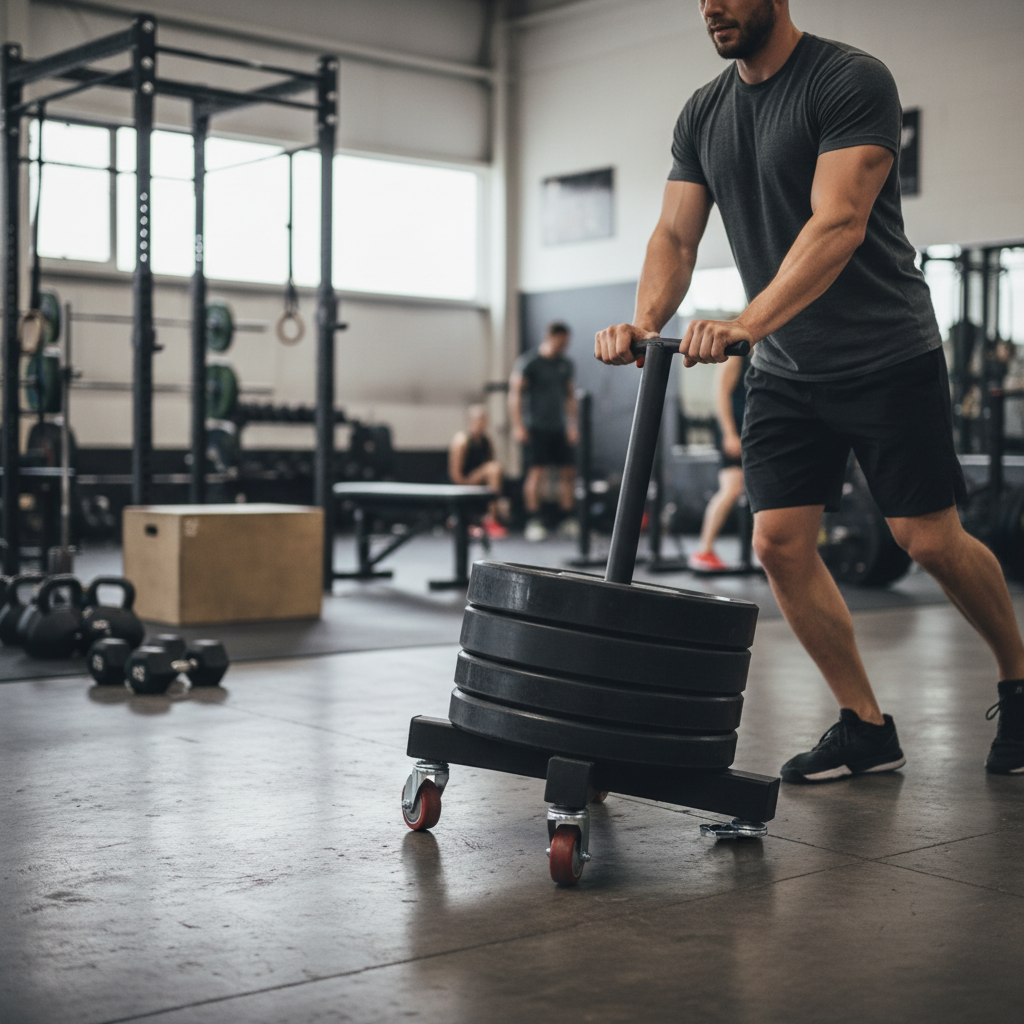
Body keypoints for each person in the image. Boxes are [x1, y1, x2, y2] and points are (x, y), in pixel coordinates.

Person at [595, 0, 1024, 780]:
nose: (712, 7)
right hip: (789, 371)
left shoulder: (849, 79)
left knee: (926, 538)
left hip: (886, 353)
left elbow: (839, 223)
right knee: (777, 542)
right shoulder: (705, 112)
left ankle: (1022, 681)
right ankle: (864, 724)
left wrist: (745, 324)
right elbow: (675, 235)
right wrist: (643, 322)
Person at [509, 322, 579, 541]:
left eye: (567, 342)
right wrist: (518, 425)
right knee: (536, 473)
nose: (564, 346)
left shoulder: (565, 364)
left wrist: (572, 425)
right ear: (549, 337)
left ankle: (568, 519)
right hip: (536, 427)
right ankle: (534, 520)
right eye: (561, 341)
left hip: (559, 427)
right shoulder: (530, 362)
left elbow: (570, 396)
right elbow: (515, 394)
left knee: (567, 472)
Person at [690, 354, 749, 571]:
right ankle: (703, 550)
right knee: (731, 488)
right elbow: (721, 393)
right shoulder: (737, 357)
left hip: (752, 432)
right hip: (734, 432)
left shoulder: (763, 356)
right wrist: (730, 433)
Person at [448, 404, 507, 539]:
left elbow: (491, 465)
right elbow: (455, 476)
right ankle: (490, 520)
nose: (482, 423)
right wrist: (470, 486)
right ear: (470, 421)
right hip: (464, 482)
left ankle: (491, 517)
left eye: (484, 419)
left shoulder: (486, 441)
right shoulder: (461, 441)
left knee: (495, 468)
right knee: (493, 469)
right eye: (478, 419)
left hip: (481, 482)